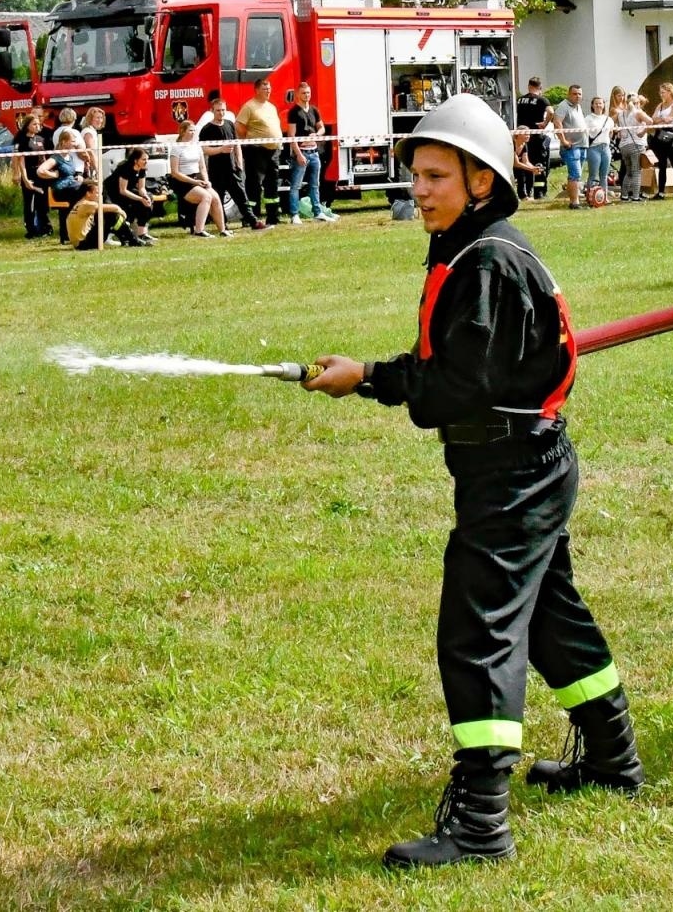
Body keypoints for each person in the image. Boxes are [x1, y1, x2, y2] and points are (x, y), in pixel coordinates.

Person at [305, 94, 644, 868]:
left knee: (479, 631)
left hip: (512, 471)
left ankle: (482, 823)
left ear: (482, 181)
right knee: (548, 617)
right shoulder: (470, 249)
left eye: (436, 176)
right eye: (415, 175)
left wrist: (368, 378)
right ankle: (613, 757)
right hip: (517, 464)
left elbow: (460, 385)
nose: (419, 190)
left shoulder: (487, 260)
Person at [198, 97, 263, 231]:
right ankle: (223, 225)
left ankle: (253, 222)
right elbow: (203, 149)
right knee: (219, 199)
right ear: (212, 111)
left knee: (241, 197)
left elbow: (236, 144)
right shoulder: (207, 129)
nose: (221, 113)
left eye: (223, 110)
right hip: (216, 170)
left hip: (232, 169)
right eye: (218, 111)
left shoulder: (229, 124)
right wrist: (220, 149)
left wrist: (239, 163)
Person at [167, 120, 230, 238]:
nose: (193, 133)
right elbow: (175, 172)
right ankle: (199, 230)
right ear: (182, 131)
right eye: (190, 130)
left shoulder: (197, 146)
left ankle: (222, 229)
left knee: (215, 198)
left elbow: (202, 167)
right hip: (183, 182)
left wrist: (206, 181)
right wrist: (194, 182)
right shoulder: (176, 148)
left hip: (197, 179)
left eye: (194, 131)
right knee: (206, 197)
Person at [285, 82, 337, 224]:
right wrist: (298, 154)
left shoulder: (314, 110)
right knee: (296, 185)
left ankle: (318, 212)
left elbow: (321, 127)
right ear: (297, 94)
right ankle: (294, 214)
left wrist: (317, 135)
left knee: (315, 184)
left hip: (314, 153)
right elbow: (291, 136)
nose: (306, 95)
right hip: (301, 153)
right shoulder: (294, 112)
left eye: (308, 93)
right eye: (303, 93)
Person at [236, 77, 282, 226]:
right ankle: (252, 218)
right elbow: (239, 126)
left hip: (273, 151)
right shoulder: (249, 106)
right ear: (256, 90)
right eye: (264, 88)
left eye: (269, 88)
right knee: (254, 185)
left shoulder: (271, 107)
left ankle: (273, 216)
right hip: (256, 151)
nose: (268, 91)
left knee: (272, 184)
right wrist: (250, 141)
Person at [12, 112, 52, 239]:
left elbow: (44, 157)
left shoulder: (40, 139)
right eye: (34, 124)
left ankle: (45, 227)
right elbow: (20, 160)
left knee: (42, 202)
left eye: (38, 124)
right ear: (27, 125)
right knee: (30, 203)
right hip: (29, 173)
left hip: (41, 174)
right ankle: (31, 229)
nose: (37, 126)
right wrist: (24, 178)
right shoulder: (21, 139)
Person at [107, 146, 157, 245]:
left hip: (127, 191)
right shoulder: (125, 168)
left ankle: (141, 233)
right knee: (134, 205)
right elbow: (123, 190)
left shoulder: (142, 169)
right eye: (143, 159)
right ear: (135, 160)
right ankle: (112, 234)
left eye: (147, 159)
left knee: (149, 200)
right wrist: (140, 199)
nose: (146, 161)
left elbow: (141, 188)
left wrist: (145, 196)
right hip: (113, 192)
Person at [553, 84, 588, 209]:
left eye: (579, 94)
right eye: (574, 93)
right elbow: (557, 123)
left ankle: (577, 199)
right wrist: (563, 141)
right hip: (571, 147)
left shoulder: (578, 107)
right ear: (569, 94)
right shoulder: (563, 106)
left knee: (577, 175)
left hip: (582, 145)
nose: (577, 96)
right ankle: (574, 203)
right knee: (575, 174)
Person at [613, 90, 652, 202]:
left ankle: (624, 195)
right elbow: (650, 121)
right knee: (636, 171)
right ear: (637, 102)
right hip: (636, 144)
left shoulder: (620, 113)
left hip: (624, 146)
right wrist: (643, 132)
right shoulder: (638, 113)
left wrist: (617, 130)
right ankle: (635, 196)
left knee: (628, 172)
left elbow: (611, 122)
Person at [648, 82, 673, 199]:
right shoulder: (660, 105)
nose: (661, 94)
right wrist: (661, 120)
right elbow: (653, 119)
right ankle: (661, 192)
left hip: (672, 136)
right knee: (662, 164)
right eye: (660, 92)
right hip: (660, 136)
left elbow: (670, 119)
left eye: (663, 92)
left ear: (669, 92)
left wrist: (661, 120)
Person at [582, 95, 614, 202]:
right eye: (596, 103)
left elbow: (611, 133)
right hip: (593, 148)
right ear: (592, 105)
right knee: (593, 174)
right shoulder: (588, 118)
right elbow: (585, 134)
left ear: (604, 105)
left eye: (600, 103)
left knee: (604, 175)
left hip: (605, 148)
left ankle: (603, 197)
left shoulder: (608, 119)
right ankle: (589, 196)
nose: (598, 105)